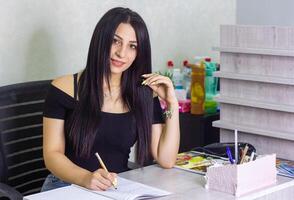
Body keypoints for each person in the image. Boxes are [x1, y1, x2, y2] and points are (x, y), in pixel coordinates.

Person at [41, 7, 180, 192]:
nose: (121, 53)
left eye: (132, 46)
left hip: (116, 190)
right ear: (101, 40)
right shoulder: (64, 88)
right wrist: (85, 178)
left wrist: (172, 104)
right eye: (115, 41)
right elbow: (51, 154)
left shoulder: (144, 93)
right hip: (65, 187)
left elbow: (166, 159)